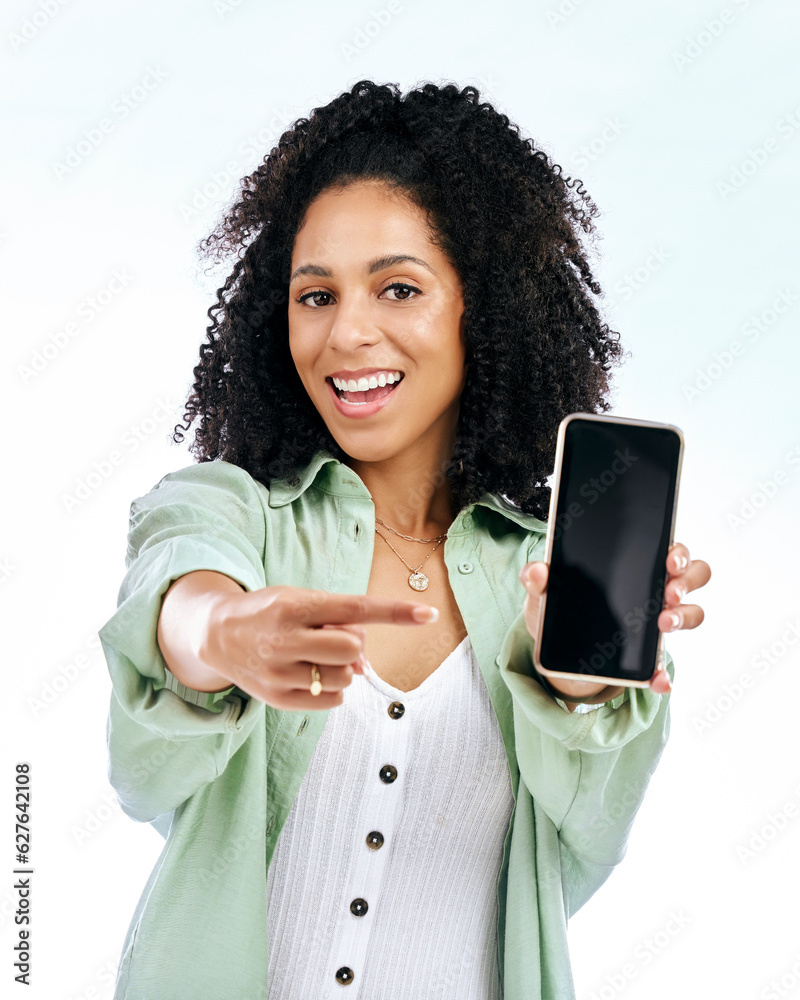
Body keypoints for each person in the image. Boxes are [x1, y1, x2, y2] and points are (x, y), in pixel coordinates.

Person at [99, 79, 711, 1000]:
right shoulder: (231, 514)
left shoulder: (544, 571)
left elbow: (589, 839)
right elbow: (177, 607)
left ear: (485, 307)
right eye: (316, 296)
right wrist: (225, 638)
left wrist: (577, 681)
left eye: (398, 288)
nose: (347, 332)